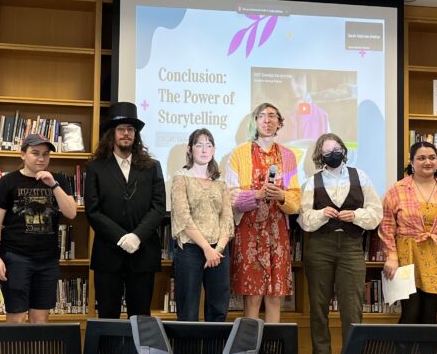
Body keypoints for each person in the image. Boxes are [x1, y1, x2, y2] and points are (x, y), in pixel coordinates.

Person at [297, 132, 382, 354]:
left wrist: (355, 216)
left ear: (344, 151)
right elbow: (304, 218)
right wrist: (322, 214)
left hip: (351, 247)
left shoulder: (361, 177)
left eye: (336, 149)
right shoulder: (312, 182)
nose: (332, 154)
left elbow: (376, 213)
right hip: (320, 247)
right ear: (319, 156)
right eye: (326, 151)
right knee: (319, 307)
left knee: (352, 308)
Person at [86, 102, 167, 319]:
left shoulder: (152, 166)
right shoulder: (95, 167)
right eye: (121, 129)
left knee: (141, 318)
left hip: (143, 254)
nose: (126, 133)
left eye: (131, 129)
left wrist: (137, 237)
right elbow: (93, 211)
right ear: (112, 133)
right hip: (108, 254)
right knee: (108, 316)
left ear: (136, 135)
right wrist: (121, 237)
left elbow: (158, 208)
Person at [0, 133, 77, 324]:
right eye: (35, 153)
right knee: (17, 317)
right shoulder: (8, 182)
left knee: (40, 319)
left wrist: (53, 185)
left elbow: (71, 213)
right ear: (23, 155)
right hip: (16, 257)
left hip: (48, 260)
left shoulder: (59, 179)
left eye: (45, 154)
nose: (41, 158)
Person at [379, 141, 437, 327]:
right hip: (407, 257)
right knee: (410, 313)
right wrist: (391, 256)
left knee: (429, 316)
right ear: (412, 162)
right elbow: (387, 227)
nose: (427, 162)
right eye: (421, 158)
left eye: (432, 157)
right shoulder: (397, 190)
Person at [227, 102, 301, 323]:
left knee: (274, 296)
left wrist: (281, 196)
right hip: (249, 232)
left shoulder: (288, 157)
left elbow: (295, 199)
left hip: (277, 233)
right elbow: (231, 197)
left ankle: (273, 352)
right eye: (262, 116)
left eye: (272, 116)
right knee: (252, 296)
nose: (267, 121)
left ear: (279, 123)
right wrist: (256, 195)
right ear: (255, 121)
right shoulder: (239, 154)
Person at [170, 128, 235, 322]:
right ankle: (186, 353)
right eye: (199, 145)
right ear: (190, 150)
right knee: (188, 310)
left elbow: (227, 219)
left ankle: (214, 353)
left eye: (209, 145)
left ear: (214, 150)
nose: (204, 149)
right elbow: (182, 216)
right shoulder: (181, 177)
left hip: (219, 251)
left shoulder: (221, 182)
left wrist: (218, 249)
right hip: (191, 249)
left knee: (218, 310)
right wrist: (206, 248)